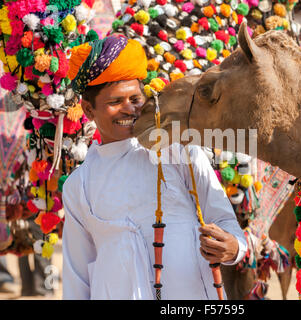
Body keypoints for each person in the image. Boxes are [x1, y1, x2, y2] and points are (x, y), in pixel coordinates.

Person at [62, 34, 247, 300]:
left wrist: (233, 247)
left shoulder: (178, 150)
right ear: (88, 110)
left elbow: (223, 220)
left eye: (135, 99)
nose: (130, 110)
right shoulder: (78, 186)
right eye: (115, 102)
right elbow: (77, 275)